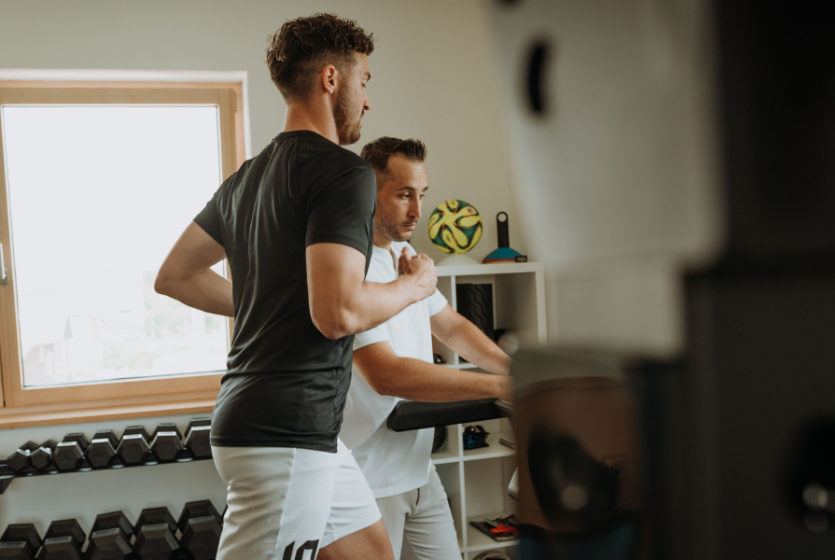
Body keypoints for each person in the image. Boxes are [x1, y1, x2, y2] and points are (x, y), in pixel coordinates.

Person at [154, 15, 437, 560]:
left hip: (296, 434)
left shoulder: (244, 179)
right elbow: (340, 313)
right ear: (332, 79)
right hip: (284, 433)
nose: (367, 100)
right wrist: (417, 287)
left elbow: (176, 276)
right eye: (365, 81)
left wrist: (269, 299)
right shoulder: (342, 173)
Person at [340, 136, 512, 560]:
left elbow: (450, 326)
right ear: (368, 191)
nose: (418, 210)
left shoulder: (404, 253)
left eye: (421, 195)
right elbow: (387, 375)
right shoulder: (351, 266)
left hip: (418, 470)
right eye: (403, 195)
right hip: (368, 479)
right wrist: (497, 387)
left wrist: (513, 371)